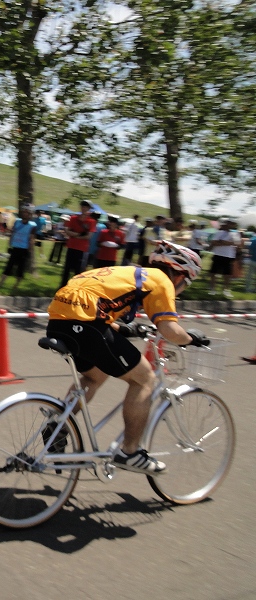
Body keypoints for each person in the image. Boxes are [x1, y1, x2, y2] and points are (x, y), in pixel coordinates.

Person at [45, 241, 208, 475]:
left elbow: (96, 308)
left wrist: (129, 330)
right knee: (145, 380)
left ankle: (58, 424)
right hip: (87, 325)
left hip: (58, 322)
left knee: (95, 376)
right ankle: (130, 452)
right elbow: (170, 331)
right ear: (180, 275)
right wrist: (192, 338)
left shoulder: (125, 273)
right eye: (187, 284)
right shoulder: (162, 281)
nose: (183, 290)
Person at [0, 204, 37, 290]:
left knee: (20, 268)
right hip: (15, 247)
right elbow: (13, 232)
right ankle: (0, 283)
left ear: (30, 214)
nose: (25, 214)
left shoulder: (32, 225)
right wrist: (10, 243)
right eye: (24, 212)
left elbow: (31, 238)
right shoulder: (17, 221)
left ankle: (16, 285)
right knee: (9, 266)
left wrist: (30, 250)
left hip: (24, 249)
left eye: (27, 212)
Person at [60, 200, 96, 287]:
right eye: (82, 206)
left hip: (82, 249)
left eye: (86, 207)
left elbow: (88, 236)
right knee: (67, 269)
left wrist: (74, 235)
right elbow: (67, 231)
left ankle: (75, 288)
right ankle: (63, 287)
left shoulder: (91, 221)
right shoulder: (73, 218)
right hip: (71, 246)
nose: (84, 208)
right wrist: (79, 234)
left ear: (89, 209)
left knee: (78, 270)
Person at [208, 218, 242, 298]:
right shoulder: (219, 232)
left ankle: (226, 290)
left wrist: (223, 242)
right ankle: (213, 289)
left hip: (229, 256)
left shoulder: (235, 234)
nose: (229, 225)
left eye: (231, 223)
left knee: (227, 274)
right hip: (218, 254)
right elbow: (214, 242)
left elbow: (237, 245)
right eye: (228, 223)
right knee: (213, 273)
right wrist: (228, 243)